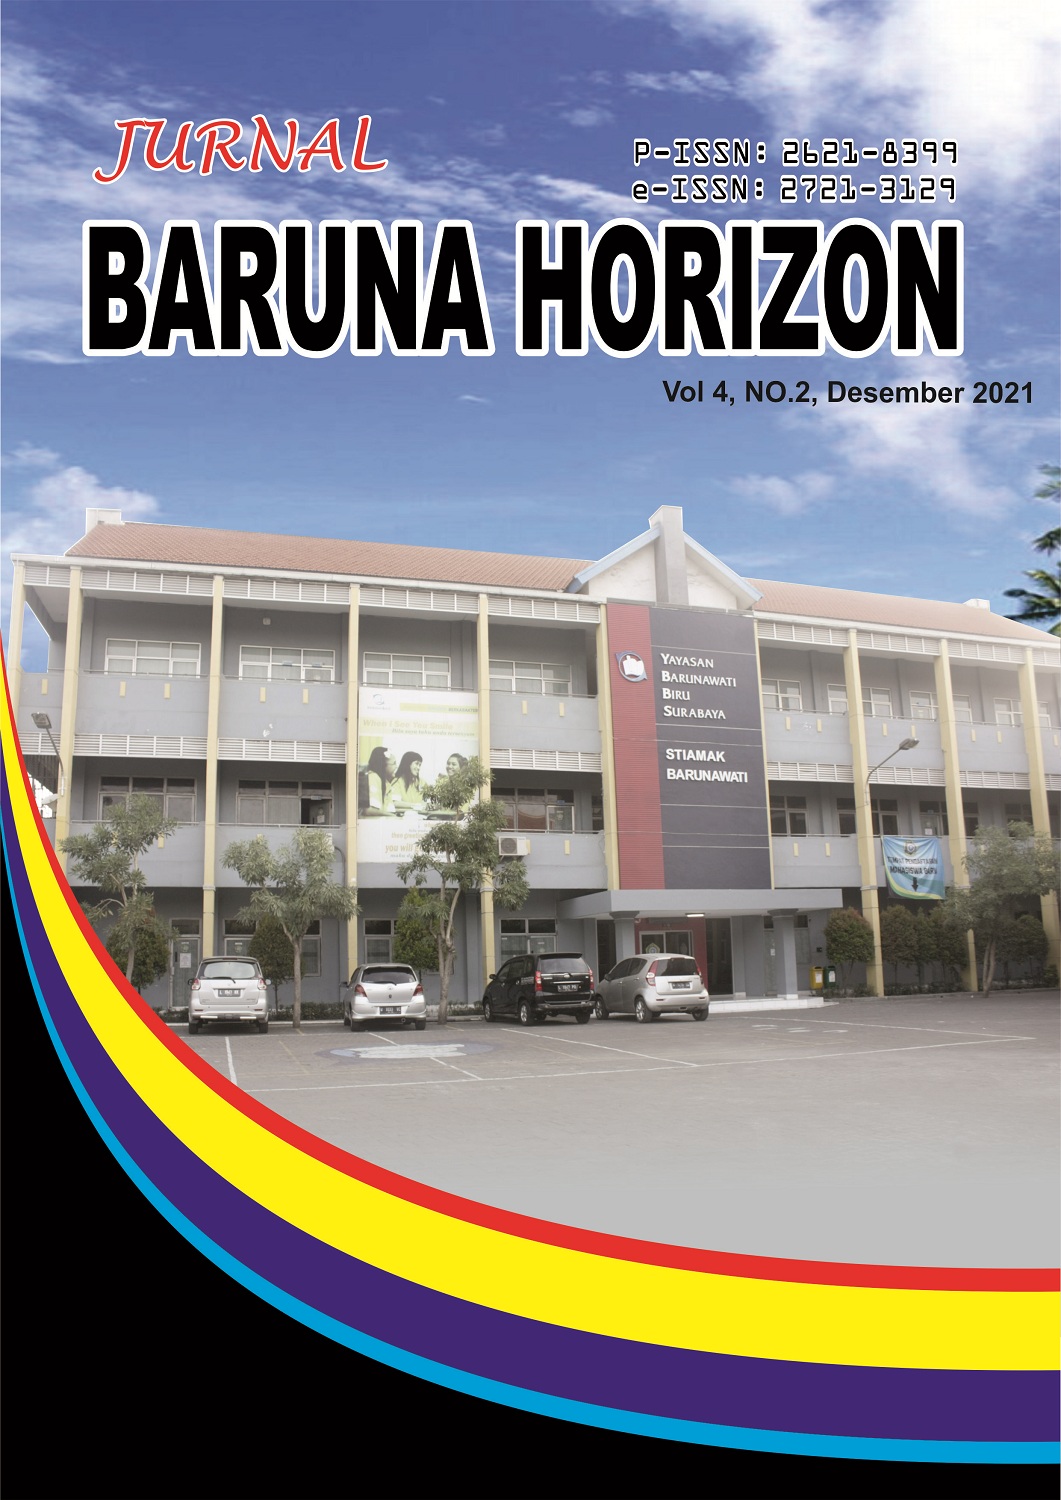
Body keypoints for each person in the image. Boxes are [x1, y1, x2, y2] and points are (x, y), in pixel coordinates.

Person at [363, 745, 396, 814]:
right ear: (383, 764)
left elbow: (390, 810)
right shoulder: (373, 777)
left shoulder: (387, 783)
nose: (396, 766)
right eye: (394, 763)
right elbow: (370, 810)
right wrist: (393, 816)